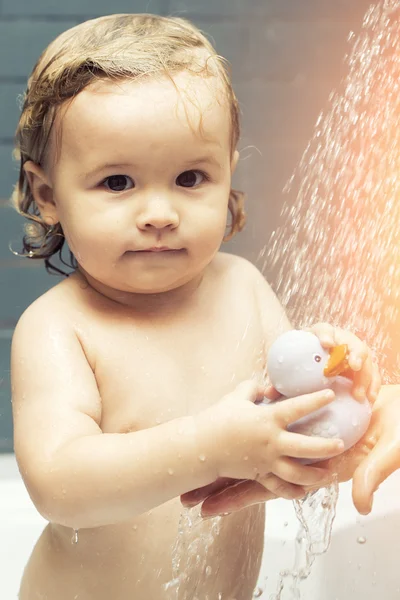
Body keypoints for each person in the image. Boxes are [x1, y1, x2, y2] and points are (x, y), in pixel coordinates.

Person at [9, 14, 379, 600]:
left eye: (189, 177)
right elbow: (60, 486)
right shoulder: (61, 329)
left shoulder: (244, 289)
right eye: (117, 183)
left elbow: (292, 425)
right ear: (49, 195)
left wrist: (338, 380)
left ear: (228, 172)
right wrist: (209, 445)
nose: (160, 212)